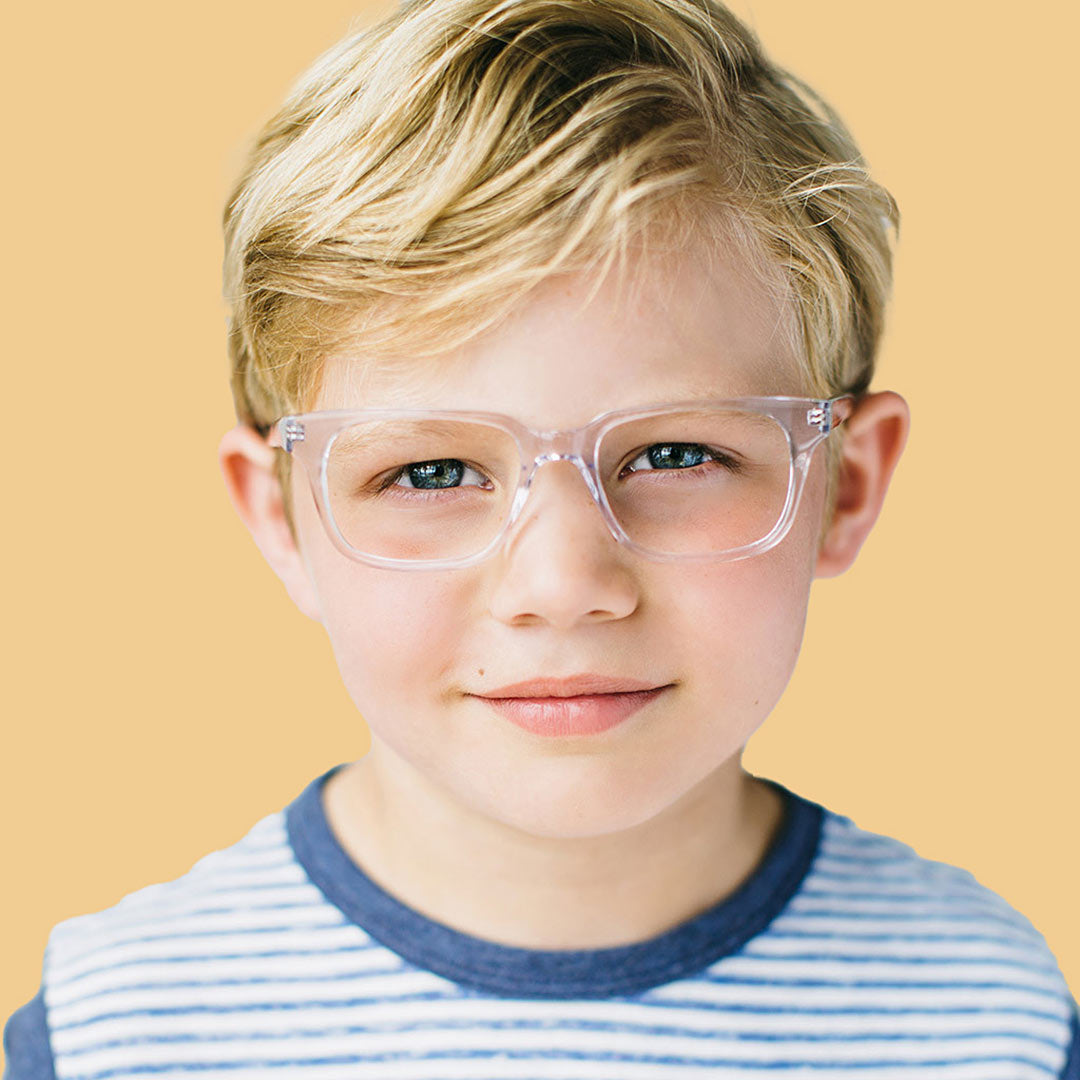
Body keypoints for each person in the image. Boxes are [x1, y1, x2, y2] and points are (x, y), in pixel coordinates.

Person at [4, 0, 1076, 1076]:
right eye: (429, 472)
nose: (564, 586)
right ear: (282, 516)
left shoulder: (993, 1021)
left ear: (845, 486)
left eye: (674, 457)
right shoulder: (119, 1031)